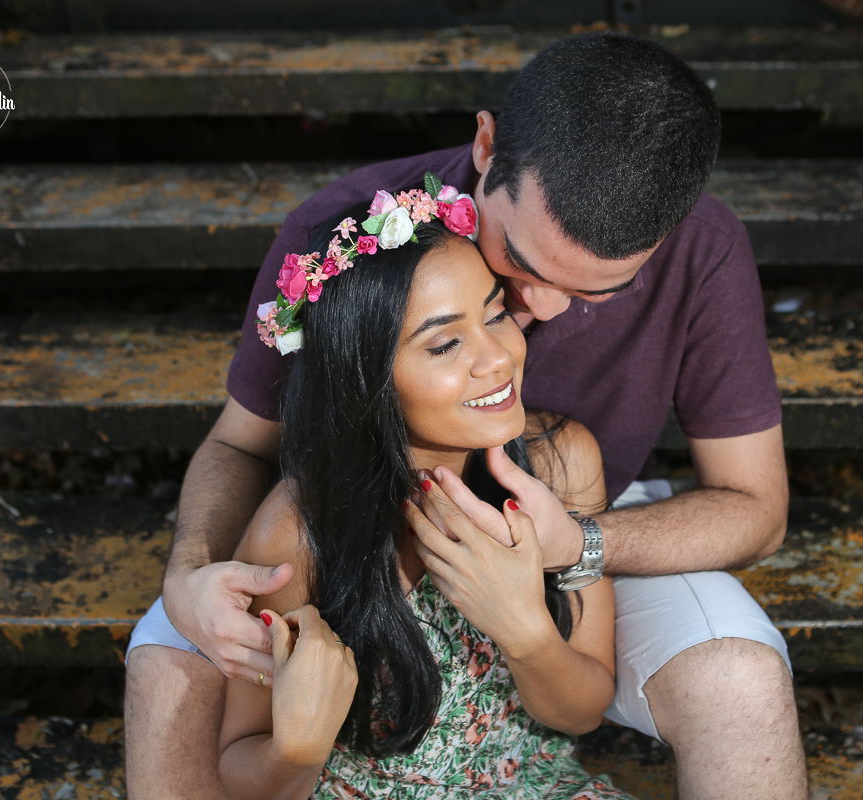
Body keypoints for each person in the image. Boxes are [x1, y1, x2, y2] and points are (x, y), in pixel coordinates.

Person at [125, 31, 807, 800]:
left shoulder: (700, 251)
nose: (536, 311)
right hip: (354, 522)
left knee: (742, 678)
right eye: (519, 260)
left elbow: (757, 509)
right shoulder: (351, 240)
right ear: (487, 146)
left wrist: (575, 545)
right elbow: (243, 447)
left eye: (598, 291)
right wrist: (188, 577)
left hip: (590, 525)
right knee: (167, 672)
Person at [215, 189, 632, 798]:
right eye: (444, 344)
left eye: (494, 316)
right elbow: (239, 765)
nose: (496, 358)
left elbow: (580, 712)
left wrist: (525, 631)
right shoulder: (299, 531)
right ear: (367, 377)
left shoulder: (561, 461)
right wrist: (293, 750)